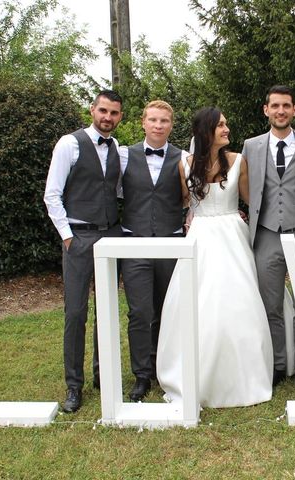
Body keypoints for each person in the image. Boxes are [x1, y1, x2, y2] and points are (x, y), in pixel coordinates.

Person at [156, 107, 273, 407]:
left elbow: (251, 200)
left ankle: (242, 375)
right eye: (220, 125)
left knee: (238, 303)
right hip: (200, 238)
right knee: (199, 304)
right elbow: (186, 202)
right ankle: (196, 373)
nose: (226, 129)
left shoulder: (238, 161)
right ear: (206, 131)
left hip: (233, 236)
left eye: (226, 123)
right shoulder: (184, 165)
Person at [44, 90, 124, 413]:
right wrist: (68, 238)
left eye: (114, 113)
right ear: (92, 109)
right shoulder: (70, 144)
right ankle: (73, 385)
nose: (107, 117)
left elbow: (116, 190)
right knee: (75, 312)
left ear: (120, 117)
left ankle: (102, 375)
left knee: (106, 310)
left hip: (111, 235)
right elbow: (52, 195)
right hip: (78, 237)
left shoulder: (118, 148)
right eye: (103, 110)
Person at [242, 85, 295, 391]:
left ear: (294, 110)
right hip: (265, 235)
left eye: (286, 106)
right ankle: (276, 364)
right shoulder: (251, 146)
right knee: (270, 305)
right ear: (266, 110)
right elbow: (242, 184)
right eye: (274, 106)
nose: (280, 111)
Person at [118, 100, 188, 402]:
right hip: (134, 242)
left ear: (171, 125)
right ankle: (141, 375)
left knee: (168, 311)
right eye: (153, 120)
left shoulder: (183, 158)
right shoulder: (123, 156)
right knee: (139, 312)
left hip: (171, 243)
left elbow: (192, 197)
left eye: (164, 121)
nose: (158, 125)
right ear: (143, 123)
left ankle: (165, 370)